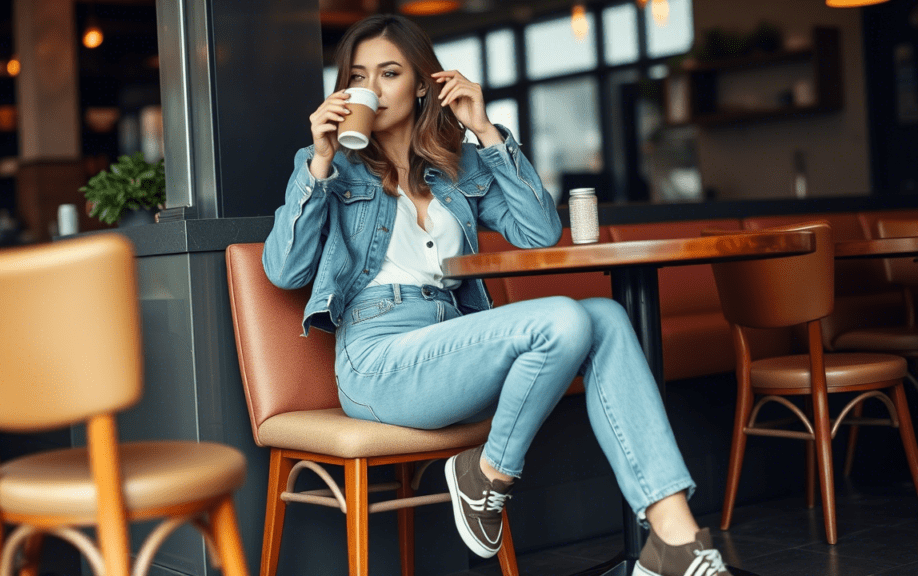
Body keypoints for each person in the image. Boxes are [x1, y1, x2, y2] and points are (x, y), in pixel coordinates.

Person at [263, 14, 731, 576]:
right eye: (360, 75)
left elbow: (538, 234)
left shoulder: (458, 168)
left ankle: (673, 543)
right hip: (378, 361)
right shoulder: (331, 168)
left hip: (452, 345)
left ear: (421, 84)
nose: (373, 88)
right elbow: (284, 271)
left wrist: (486, 131)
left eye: (390, 72)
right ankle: (489, 477)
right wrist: (317, 162)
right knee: (563, 319)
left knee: (605, 315)